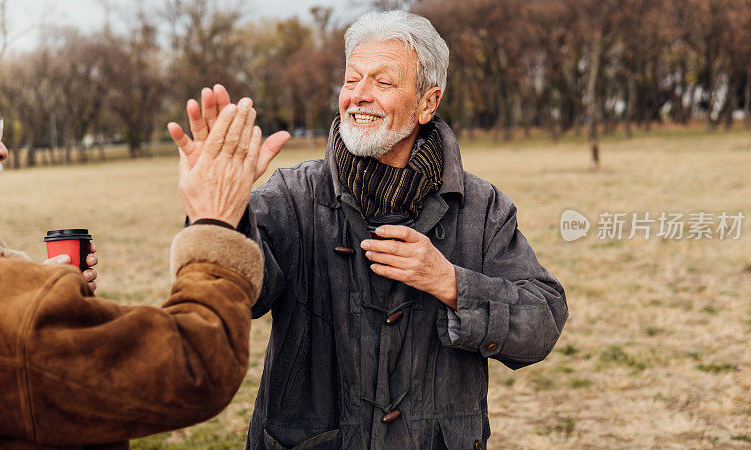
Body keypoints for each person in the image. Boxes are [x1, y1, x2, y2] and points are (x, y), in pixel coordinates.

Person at [172, 11, 568, 450]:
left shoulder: (482, 208)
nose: (358, 97)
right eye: (351, 80)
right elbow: (242, 295)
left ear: (428, 103)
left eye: (382, 83)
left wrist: (452, 283)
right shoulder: (294, 194)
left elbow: (543, 322)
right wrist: (217, 213)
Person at [0, 95, 279, 448]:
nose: (1, 149)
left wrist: (41, 295)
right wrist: (215, 220)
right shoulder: (7, 313)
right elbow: (194, 364)